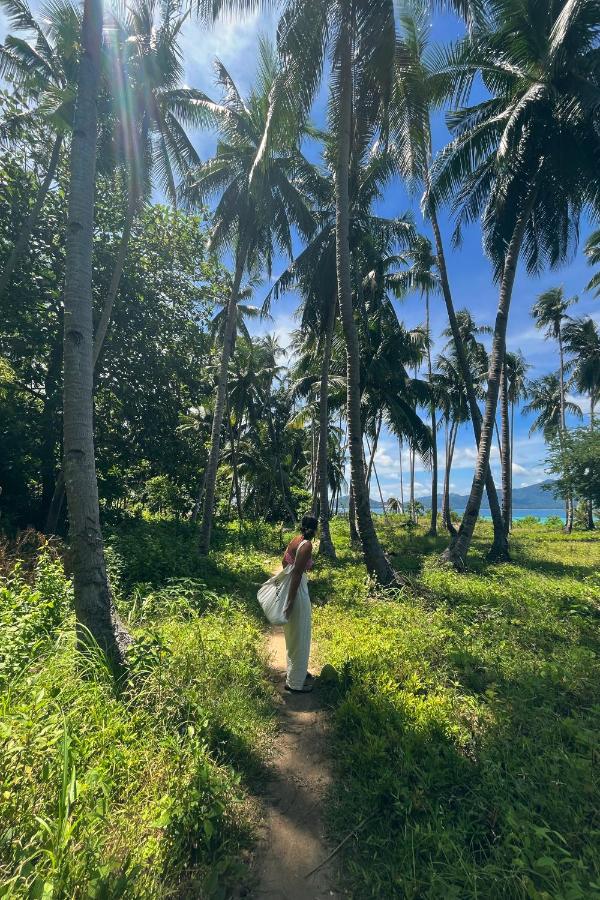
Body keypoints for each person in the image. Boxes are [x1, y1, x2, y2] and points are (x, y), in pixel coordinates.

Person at [281, 514, 318, 693]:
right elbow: (297, 574)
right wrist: (290, 601)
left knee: (293, 636)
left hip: (292, 589)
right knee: (301, 635)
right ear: (315, 530)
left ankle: (296, 672)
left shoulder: (295, 540)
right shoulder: (307, 545)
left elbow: (284, 562)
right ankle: (295, 683)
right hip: (298, 592)